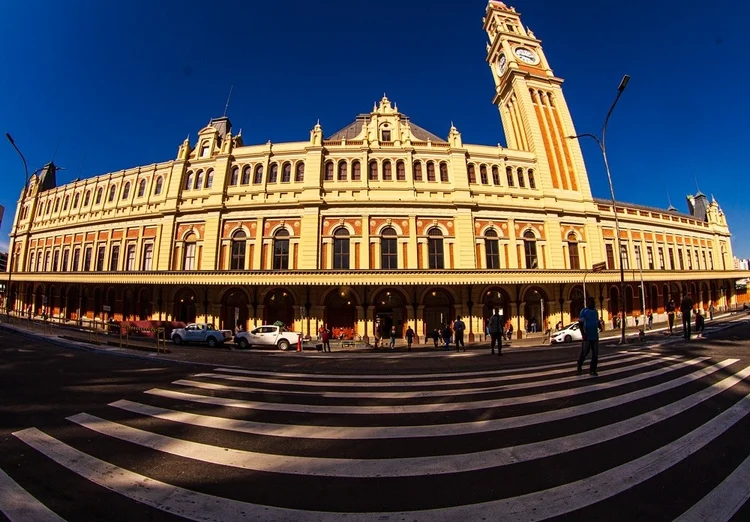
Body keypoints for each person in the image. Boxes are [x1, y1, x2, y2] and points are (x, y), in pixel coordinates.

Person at [577, 296, 600, 376]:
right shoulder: (584, 311)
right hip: (587, 336)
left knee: (595, 353)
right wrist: (583, 334)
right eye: (591, 302)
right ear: (588, 303)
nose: (593, 303)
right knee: (585, 352)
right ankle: (579, 364)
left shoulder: (596, 312)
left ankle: (593, 370)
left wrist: (599, 326)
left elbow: (597, 321)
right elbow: (580, 324)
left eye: (594, 302)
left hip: (595, 336)